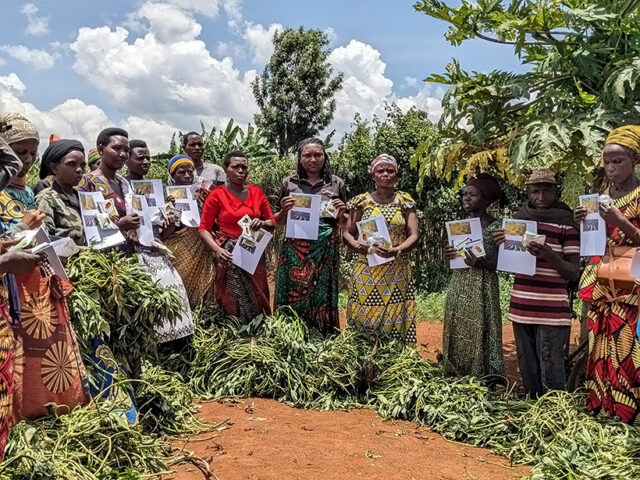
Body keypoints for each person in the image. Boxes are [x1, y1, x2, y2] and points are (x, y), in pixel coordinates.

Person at [0, 118, 88, 425]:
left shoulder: (28, 193)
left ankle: (50, 409)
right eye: (18, 152)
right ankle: (21, 415)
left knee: (49, 355)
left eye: (31, 153)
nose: (25, 161)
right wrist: (22, 227)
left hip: (39, 282)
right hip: (11, 286)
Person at [494, 169, 579, 397]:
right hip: (521, 308)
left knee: (551, 370)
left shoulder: (567, 224)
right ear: (528, 192)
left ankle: (555, 416)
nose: (541, 196)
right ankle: (533, 412)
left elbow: (574, 273)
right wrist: (502, 245)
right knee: (528, 368)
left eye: (547, 190)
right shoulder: (518, 222)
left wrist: (549, 254)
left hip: (553, 311)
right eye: (535, 190)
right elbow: (507, 264)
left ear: (555, 191)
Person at [576, 125, 640, 423]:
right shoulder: (600, 197)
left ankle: (628, 413)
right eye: (607, 162)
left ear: (635, 160)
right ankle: (602, 408)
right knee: (599, 344)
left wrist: (620, 221)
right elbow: (595, 243)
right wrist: (585, 222)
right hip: (601, 282)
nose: (611, 168)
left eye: (618, 161)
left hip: (631, 288)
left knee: (627, 347)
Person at [274, 138, 347, 334]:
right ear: (299, 158)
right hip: (295, 249)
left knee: (322, 290)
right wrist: (283, 211)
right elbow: (278, 222)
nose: (313, 159)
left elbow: (344, 223)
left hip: (325, 247)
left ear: (325, 156)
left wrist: (342, 212)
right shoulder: (289, 183)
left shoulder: (336, 183)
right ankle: (289, 332)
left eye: (318, 155)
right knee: (292, 289)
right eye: (307, 155)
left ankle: (323, 333)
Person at [344, 154, 419, 344]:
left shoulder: (405, 201)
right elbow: (347, 234)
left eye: (390, 170)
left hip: (397, 270)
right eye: (381, 170)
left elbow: (414, 235)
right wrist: (358, 247)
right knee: (366, 313)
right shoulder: (361, 202)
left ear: (396, 174)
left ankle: (394, 354)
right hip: (367, 270)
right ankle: (364, 357)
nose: (385, 174)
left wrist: (398, 249)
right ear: (373, 175)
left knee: (395, 315)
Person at [124, 141, 194, 344]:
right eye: (140, 157)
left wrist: (170, 222)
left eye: (148, 158)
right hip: (133, 256)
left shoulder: (158, 190)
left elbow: (163, 233)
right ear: (127, 160)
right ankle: (152, 347)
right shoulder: (122, 190)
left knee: (175, 295)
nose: (145, 161)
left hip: (157, 252)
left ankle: (175, 347)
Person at [199, 151, 275, 322]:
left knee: (258, 289)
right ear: (226, 169)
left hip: (253, 250)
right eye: (235, 167)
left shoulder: (257, 193)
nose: (241, 170)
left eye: (244, 167)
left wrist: (261, 223)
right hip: (229, 253)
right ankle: (233, 327)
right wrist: (217, 250)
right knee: (231, 293)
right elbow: (204, 228)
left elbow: (272, 222)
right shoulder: (217, 195)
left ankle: (259, 326)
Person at [442, 174, 505, 379]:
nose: (466, 198)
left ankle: (483, 377)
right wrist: (449, 255)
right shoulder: (460, 228)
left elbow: (504, 264)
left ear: (486, 200)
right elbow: (454, 259)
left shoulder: (498, 228)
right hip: (459, 285)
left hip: (483, 287)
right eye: (465, 194)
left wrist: (481, 263)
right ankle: (456, 373)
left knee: (483, 328)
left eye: (473, 194)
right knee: (458, 326)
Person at [164, 154, 217, 307]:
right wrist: (169, 207)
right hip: (178, 242)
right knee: (179, 278)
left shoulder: (205, 188)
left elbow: (219, 213)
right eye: (181, 172)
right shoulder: (166, 193)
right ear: (172, 175)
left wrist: (207, 203)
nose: (187, 175)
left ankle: (202, 313)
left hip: (202, 241)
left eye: (190, 171)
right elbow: (165, 223)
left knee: (204, 278)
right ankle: (182, 309)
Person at [35, 139, 86, 244]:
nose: (79, 169)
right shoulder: (47, 198)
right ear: (54, 168)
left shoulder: (83, 198)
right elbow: (43, 241)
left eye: (82, 165)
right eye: (72, 164)